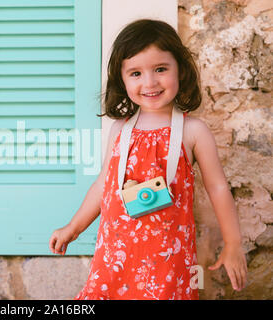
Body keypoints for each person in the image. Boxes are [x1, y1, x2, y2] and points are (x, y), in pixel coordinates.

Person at [48, 19, 247, 300]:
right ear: (122, 79)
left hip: (169, 263)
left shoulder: (193, 131)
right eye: (136, 73)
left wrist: (233, 243)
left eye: (161, 69)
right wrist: (73, 227)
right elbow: (103, 185)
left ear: (180, 69)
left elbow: (218, 188)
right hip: (115, 258)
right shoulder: (119, 130)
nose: (150, 82)